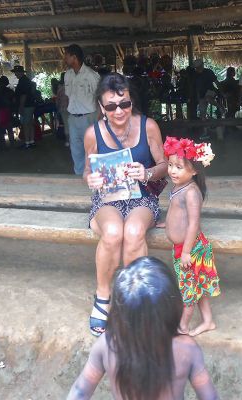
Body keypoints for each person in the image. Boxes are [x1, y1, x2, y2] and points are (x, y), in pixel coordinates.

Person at [67, 256, 220, 400]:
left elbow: (80, 392)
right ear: (173, 306)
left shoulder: (107, 344)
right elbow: (210, 397)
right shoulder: (186, 349)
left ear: (119, 312)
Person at [84, 72, 167, 336]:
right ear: (101, 107)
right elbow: (87, 170)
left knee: (132, 232)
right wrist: (91, 178)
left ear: (132, 102)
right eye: (111, 106)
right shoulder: (92, 133)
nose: (119, 111)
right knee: (112, 233)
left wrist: (147, 173)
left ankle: (134, 300)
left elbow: (165, 165)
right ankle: (104, 296)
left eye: (125, 104)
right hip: (107, 198)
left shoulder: (148, 126)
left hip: (142, 197)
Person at [163, 136, 221, 336]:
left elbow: (194, 223)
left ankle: (182, 328)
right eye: (170, 165)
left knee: (189, 293)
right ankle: (208, 321)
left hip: (191, 250)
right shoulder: (178, 186)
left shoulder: (191, 192)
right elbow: (177, 213)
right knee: (197, 288)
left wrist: (186, 251)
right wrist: (167, 224)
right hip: (183, 249)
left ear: (194, 170)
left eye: (179, 167)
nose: (172, 170)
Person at [64, 44, 100, 175]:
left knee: (92, 148)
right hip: (73, 118)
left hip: (89, 117)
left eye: (66, 56)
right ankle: (79, 176)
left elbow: (99, 97)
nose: (65, 59)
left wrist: (99, 118)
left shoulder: (91, 75)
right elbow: (68, 96)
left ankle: (95, 175)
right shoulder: (67, 75)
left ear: (74, 57)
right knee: (76, 149)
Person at [11, 65, 36, 149]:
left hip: (26, 105)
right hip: (30, 104)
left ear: (20, 72)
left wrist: (21, 106)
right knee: (29, 123)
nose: (15, 74)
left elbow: (23, 95)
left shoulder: (23, 81)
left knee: (25, 124)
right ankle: (31, 141)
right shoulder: (26, 80)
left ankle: (27, 143)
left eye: (16, 72)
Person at [56, 72, 70, 146]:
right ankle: (73, 140)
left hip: (63, 109)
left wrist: (58, 108)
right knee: (72, 125)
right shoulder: (72, 86)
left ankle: (68, 141)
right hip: (72, 109)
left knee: (66, 125)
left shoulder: (60, 88)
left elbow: (58, 100)